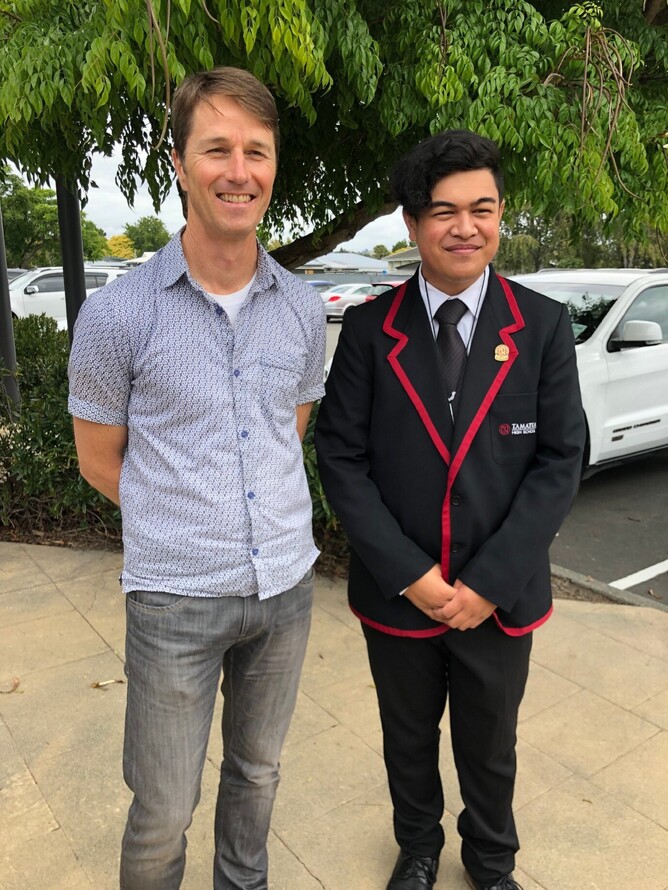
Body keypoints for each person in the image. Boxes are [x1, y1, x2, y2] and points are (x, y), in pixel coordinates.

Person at [68, 67, 326, 890]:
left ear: (274, 165)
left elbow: (288, 429)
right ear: (180, 163)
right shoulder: (120, 314)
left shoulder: (302, 306)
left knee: (258, 777)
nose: (238, 170)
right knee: (163, 805)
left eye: (256, 150)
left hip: (284, 590)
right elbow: (99, 460)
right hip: (175, 599)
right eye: (217, 148)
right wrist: (181, 520)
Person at [315, 130, 585, 890]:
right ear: (412, 224)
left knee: (490, 743)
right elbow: (341, 458)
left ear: (500, 215)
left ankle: (492, 859)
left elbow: (561, 460)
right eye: (443, 211)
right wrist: (410, 575)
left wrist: (491, 580)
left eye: (482, 208)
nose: (465, 227)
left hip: (499, 596)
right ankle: (419, 849)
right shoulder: (371, 330)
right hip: (401, 592)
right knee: (406, 738)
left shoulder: (540, 326)